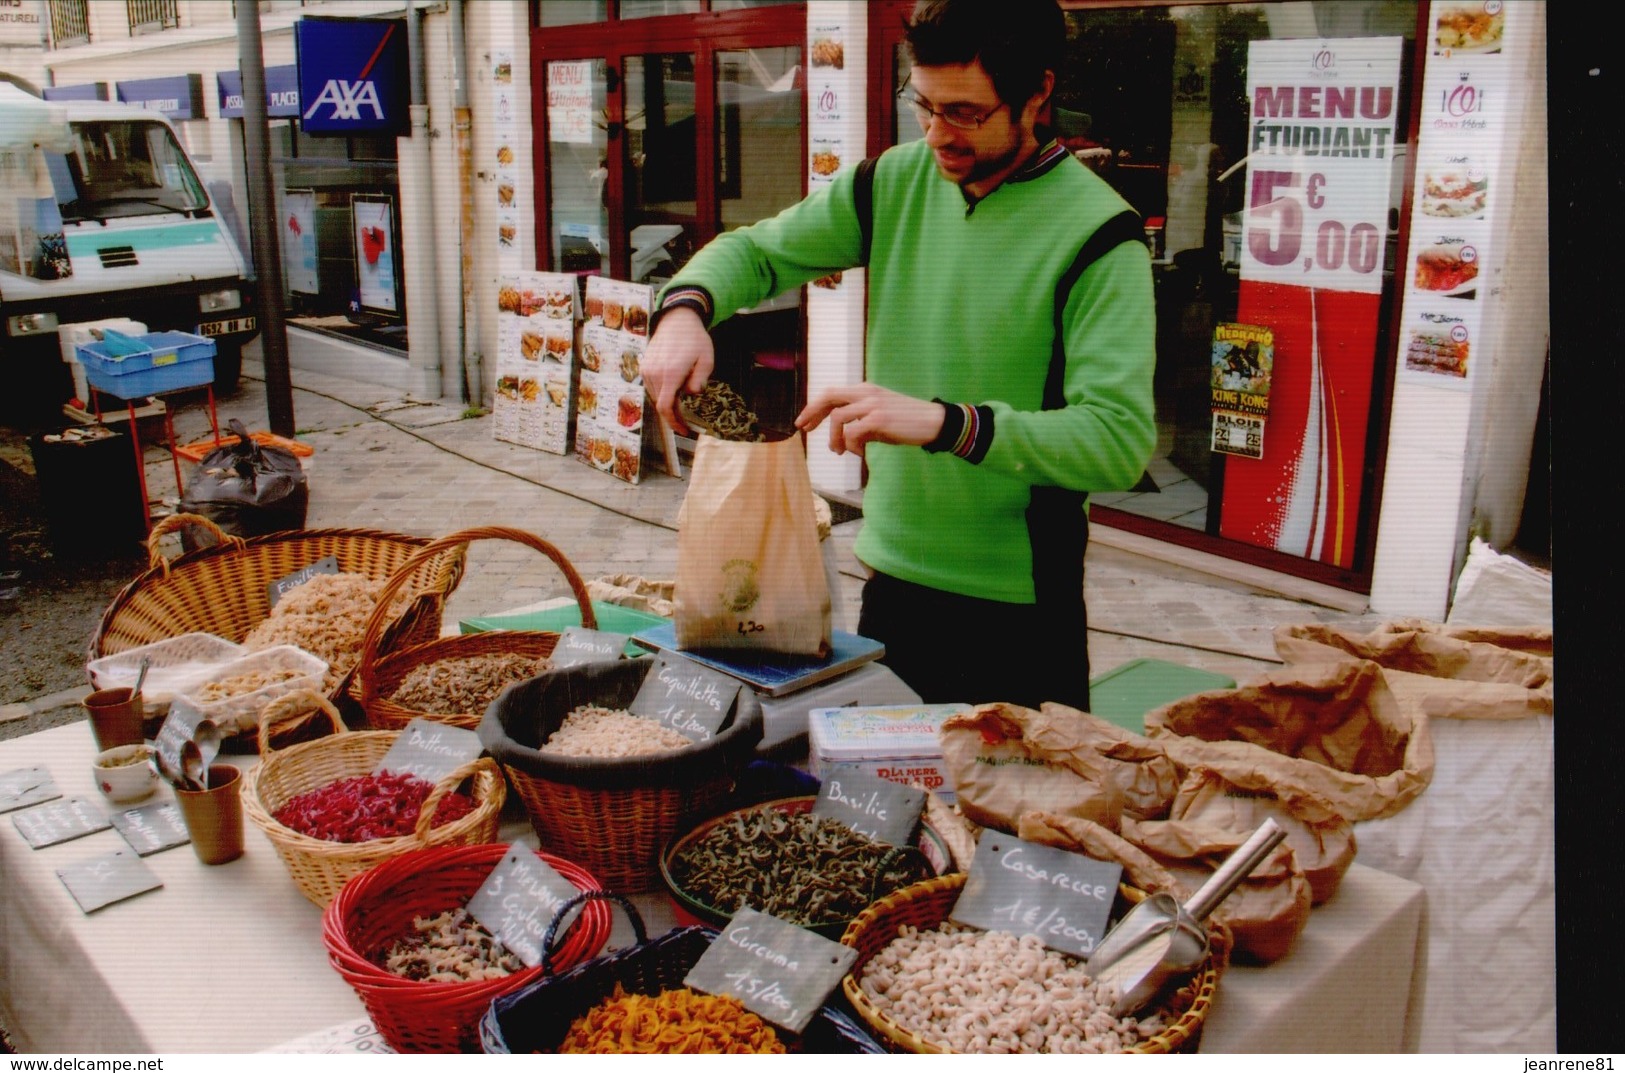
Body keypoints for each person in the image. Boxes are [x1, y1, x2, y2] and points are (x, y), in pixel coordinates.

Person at [642, 0, 1155, 711]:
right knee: (874, 811)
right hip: (888, 587)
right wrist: (683, 310)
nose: (938, 134)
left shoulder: (1101, 234)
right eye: (923, 105)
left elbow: (1116, 441)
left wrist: (946, 422)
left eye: (966, 113)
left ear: (1037, 91)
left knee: (1011, 823)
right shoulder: (890, 182)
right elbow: (757, 252)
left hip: (1021, 612)